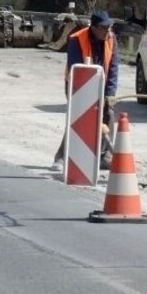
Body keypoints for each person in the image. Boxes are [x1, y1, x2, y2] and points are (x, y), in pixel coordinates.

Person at [52, 10, 119, 172]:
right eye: (103, 28)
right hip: (78, 84)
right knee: (79, 119)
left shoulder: (111, 39)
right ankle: (61, 157)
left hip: (101, 83)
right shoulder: (77, 39)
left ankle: (104, 156)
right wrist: (87, 95)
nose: (107, 31)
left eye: (109, 27)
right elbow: (76, 68)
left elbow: (114, 67)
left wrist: (110, 92)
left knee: (107, 116)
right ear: (94, 28)